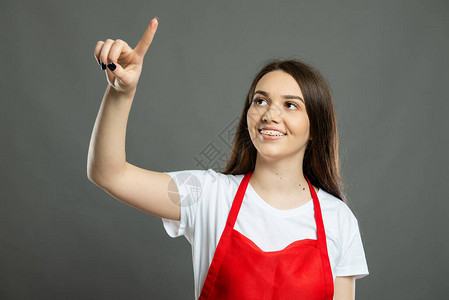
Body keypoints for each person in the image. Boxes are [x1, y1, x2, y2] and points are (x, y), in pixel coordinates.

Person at [88, 17, 369, 300]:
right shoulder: (208, 196)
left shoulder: (338, 219)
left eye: (290, 105)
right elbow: (109, 174)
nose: (270, 114)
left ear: (315, 128)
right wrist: (121, 93)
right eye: (260, 101)